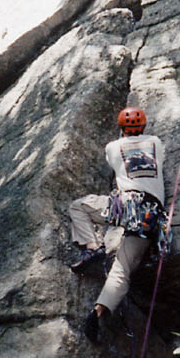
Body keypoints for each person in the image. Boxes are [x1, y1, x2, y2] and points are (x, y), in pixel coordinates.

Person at [69, 106, 165, 342]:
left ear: (121, 128)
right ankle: (98, 311)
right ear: (143, 126)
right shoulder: (155, 142)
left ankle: (92, 249)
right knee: (121, 270)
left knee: (78, 206)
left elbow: (115, 164)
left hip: (124, 206)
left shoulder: (113, 147)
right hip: (148, 217)